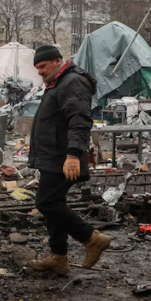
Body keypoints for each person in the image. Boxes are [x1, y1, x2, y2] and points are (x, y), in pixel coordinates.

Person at [27, 45, 110, 276]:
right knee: (55, 204)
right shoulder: (58, 83)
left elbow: (79, 120)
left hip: (63, 157)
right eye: (37, 68)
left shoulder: (72, 82)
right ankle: (59, 257)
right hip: (53, 157)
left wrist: (73, 155)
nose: (40, 71)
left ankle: (92, 238)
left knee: (46, 203)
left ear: (57, 61)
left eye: (43, 66)